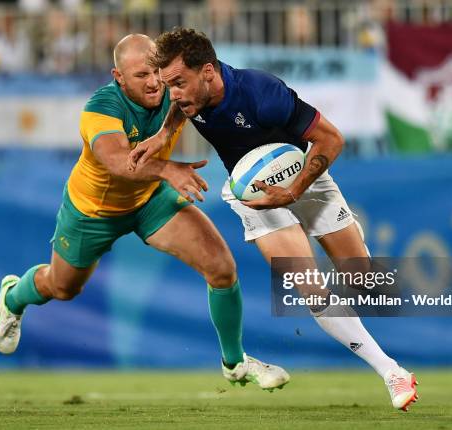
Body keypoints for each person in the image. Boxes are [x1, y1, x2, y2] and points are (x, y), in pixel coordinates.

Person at [128, 28, 419, 411]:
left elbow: (331, 139)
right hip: (250, 194)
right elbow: (180, 105)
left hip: (304, 178)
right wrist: (163, 135)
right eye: (169, 85)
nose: (174, 94)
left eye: (179, 83)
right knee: (310, 287)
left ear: (209, 72)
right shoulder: (188, 97)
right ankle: (392, 371)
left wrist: (295, 190)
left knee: (363, 280)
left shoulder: (261, 94)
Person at [0, 34, 289, 391]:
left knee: (221, 268)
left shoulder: (172, 90)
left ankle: (235, 363)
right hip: (94, 211)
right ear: (118, 77)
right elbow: (118, 162)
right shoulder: (101, 108)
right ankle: (12, 295)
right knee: (62, 286)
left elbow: (200, 97)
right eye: (140, 76)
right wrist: (168, 168)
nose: (153, 83)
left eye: (156, 74)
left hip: (149, 200)